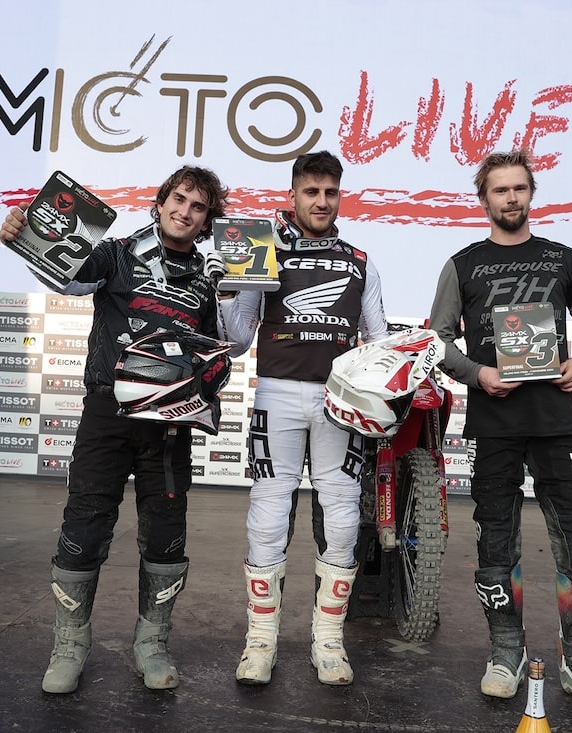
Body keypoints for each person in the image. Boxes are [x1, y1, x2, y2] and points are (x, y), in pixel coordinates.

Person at [0, 166, 235, 694]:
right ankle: (69, 645)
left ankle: (153, 644)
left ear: (207, 221)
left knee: (166, 535)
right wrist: (24, 237)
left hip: (169, 422)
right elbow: (68, 277)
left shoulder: (210, 275)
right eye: (179, 199)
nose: (185, 212)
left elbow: (225, 346)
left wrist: (231, 295)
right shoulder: (119, 253)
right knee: (85, 526)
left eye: (198, 207)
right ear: (161, 202)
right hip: (107, 411)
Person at [427, 149, 572, 714]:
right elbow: (437, 339)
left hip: (556, 422)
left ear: (531, 193)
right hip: (494, 425)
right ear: (483, 198)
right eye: (499, 190)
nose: (510, 198)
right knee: (495, 537)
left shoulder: (563, 258)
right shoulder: (462, 264)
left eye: (519, 188)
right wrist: (478, 374)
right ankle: (505, 652)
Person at [221, 151, 389, 687]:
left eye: (330, 192)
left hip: (340, 400)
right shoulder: (264, 249)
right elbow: (238, 339)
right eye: (311, 192)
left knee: (342, 516)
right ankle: (260, 643)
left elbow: (379, 341)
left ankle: (329, 642)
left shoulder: (360, 261)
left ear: (340, 196)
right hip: (276, 392)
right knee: (268, 515)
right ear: (293, 195)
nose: (321, 201)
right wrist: (228, 290)